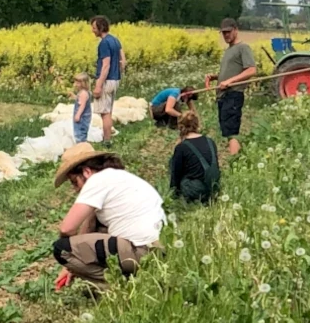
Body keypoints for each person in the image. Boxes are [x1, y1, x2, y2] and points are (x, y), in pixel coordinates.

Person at [51, 143, 165, 291]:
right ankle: (133, 276)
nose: (76, 190)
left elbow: (67, 228)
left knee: (62, 248)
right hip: (161, 248)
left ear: (86, 172)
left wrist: (70, 256)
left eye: (75, 182)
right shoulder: (119, 177)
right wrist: (72, 266)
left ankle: (116, 284)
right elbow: (90, 226)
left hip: (139, 251)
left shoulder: (96, 181)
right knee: (100, 228)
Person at [205, 18, 257, 156]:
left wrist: (229, 82)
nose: (226, 35)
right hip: (224, 95)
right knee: (227, 131)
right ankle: (237, 159)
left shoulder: (243, 48)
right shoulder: (229, 50)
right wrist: (216, 77)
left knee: (232, 132)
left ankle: (236, 162)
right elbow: (232, 72)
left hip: (233, 94)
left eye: (228, 32)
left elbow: (251, 70)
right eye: (223, 33)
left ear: (235, 30)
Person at [169, 111, 221, 204]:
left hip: (196, 190)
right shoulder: (210, 141)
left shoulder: (182, 147)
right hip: (213, 187)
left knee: (172, 161)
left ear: (181, 126)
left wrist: (173, 194)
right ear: (197, 125)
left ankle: (188, 199)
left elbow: (176, 173)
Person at [90, 16, 125, 148]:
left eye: (94, 28)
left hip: (106, 81)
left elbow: (106, 65)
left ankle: (106, 141)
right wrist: (118, 72)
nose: (93, 31)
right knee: (108, 112)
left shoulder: (104, 43)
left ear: (101, 27)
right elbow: (123, 60)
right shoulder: (115, 40)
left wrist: (98, 85)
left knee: (105, 114)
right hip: (115, 80)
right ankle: (108, 138)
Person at [71, 72, 93, 143]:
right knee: (81, 133)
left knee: (79, 134)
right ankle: (82, 145)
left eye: (78, 83)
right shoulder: (84, 92)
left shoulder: (83, 93)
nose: (75, 84)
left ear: (83, 83)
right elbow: (80, 100)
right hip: (84, 118)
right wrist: (74, 97)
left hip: (82, 118)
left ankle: (81, 146)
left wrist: (78, 115)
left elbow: (82, 105)